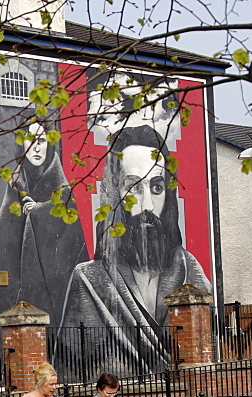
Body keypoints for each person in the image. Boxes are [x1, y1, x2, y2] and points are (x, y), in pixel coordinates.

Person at [60, 125, 211, 376]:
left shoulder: (189, 270)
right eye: (133, 187)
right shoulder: (89, 280)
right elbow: (69, 374)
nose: (147, 205)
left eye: (157, 187)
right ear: (113, 194)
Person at [0, 120, 87, 326]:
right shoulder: (15, 185)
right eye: (30, 140)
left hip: (55, 287)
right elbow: (3, 242)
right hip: (23, 287)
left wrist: (41, 212)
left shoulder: (63, 189)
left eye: (41, 140)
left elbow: (73, 242)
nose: (36, 147)